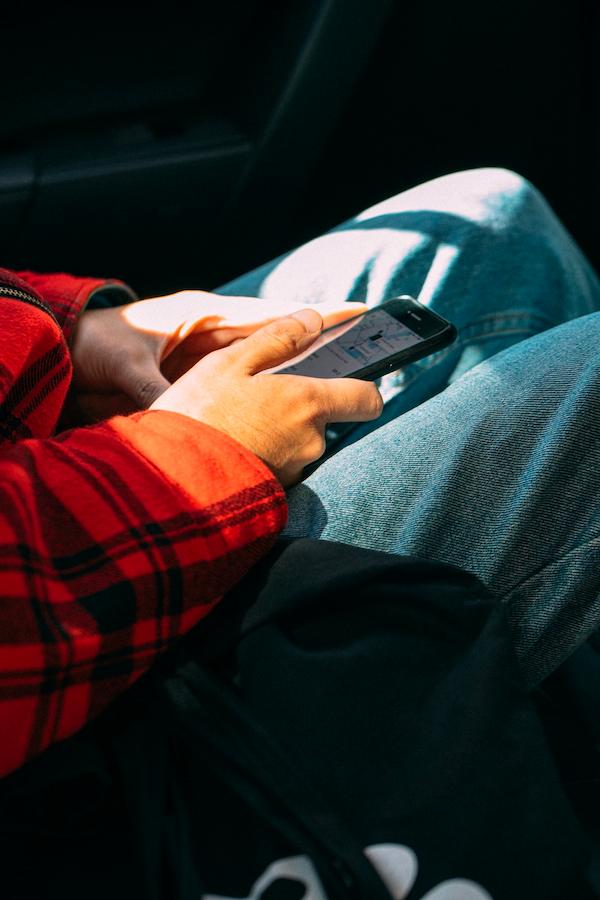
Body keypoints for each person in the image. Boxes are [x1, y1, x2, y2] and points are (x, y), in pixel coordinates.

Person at [1, 166, 599, 786]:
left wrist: (63, 327)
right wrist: (199, 450)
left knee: (499, 227)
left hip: (69, 470)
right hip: (98, 652)